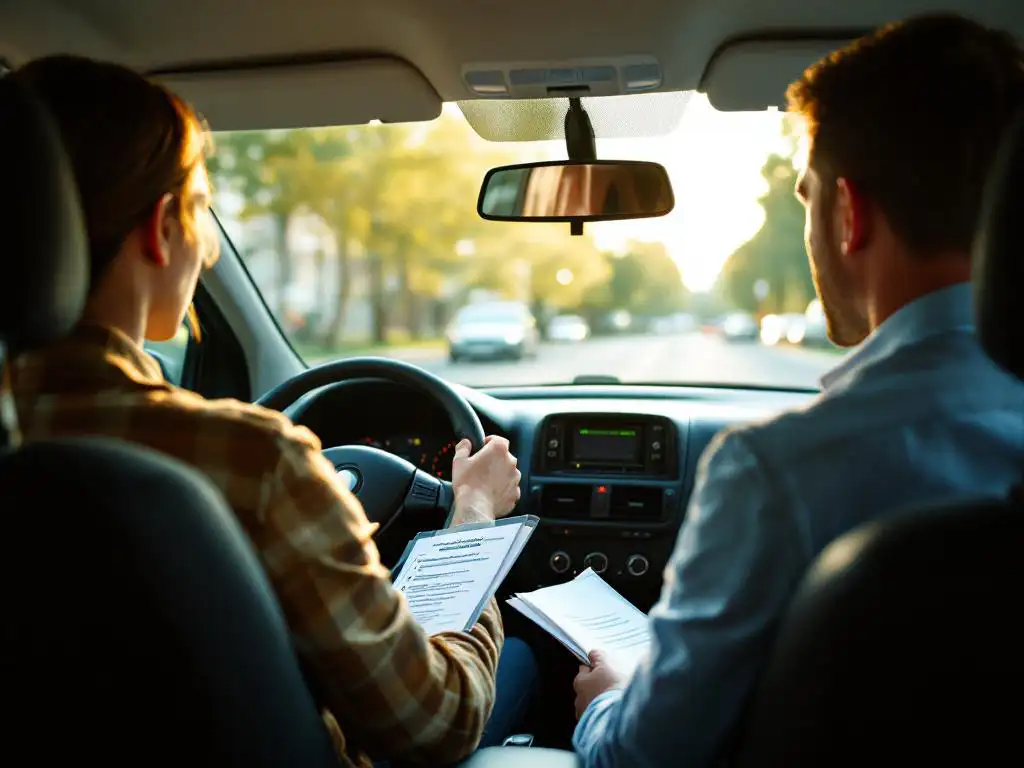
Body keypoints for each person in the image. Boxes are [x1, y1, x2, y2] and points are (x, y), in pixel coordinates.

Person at [7, 55, 534, 767]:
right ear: (163, 228)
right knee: (526, 661)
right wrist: (471, 518)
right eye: (201, 211)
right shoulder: (253, 462)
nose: (211, 243)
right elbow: (435, 723)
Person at [570, 13, 1024, 768]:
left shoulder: (775, 473)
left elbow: (643, 761)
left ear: (849, 213)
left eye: (806, 197)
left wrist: (611, 698)